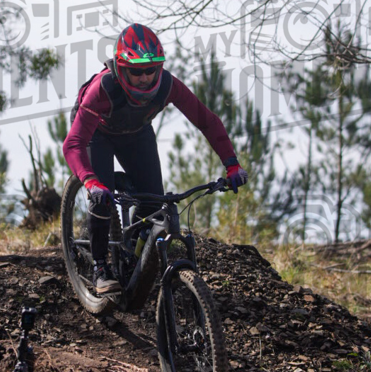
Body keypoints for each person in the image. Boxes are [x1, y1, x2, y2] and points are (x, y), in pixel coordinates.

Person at [63, 24, 248, 294]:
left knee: (154, 202)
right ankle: (100, 267)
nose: (145, 78)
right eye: (136, 71)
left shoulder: (168, 85)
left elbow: (206, 121)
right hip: (96, 134)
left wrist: (232, 164)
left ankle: (132, 252)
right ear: (121, 67)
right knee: (101, 198)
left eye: (151, 69)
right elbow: (73, 143)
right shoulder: (103, 88)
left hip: (136, 134)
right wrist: (91, 182)